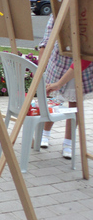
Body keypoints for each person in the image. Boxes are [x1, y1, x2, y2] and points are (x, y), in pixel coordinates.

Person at [38, 14, 93, 159]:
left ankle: (68, 142)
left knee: (75, 102)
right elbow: (46, 40)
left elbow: (84, 59)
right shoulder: (60, 6)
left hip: (82, 65)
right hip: (59, 60)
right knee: (52, 98)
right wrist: (39, 70)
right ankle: (45, 133)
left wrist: (60, 83)